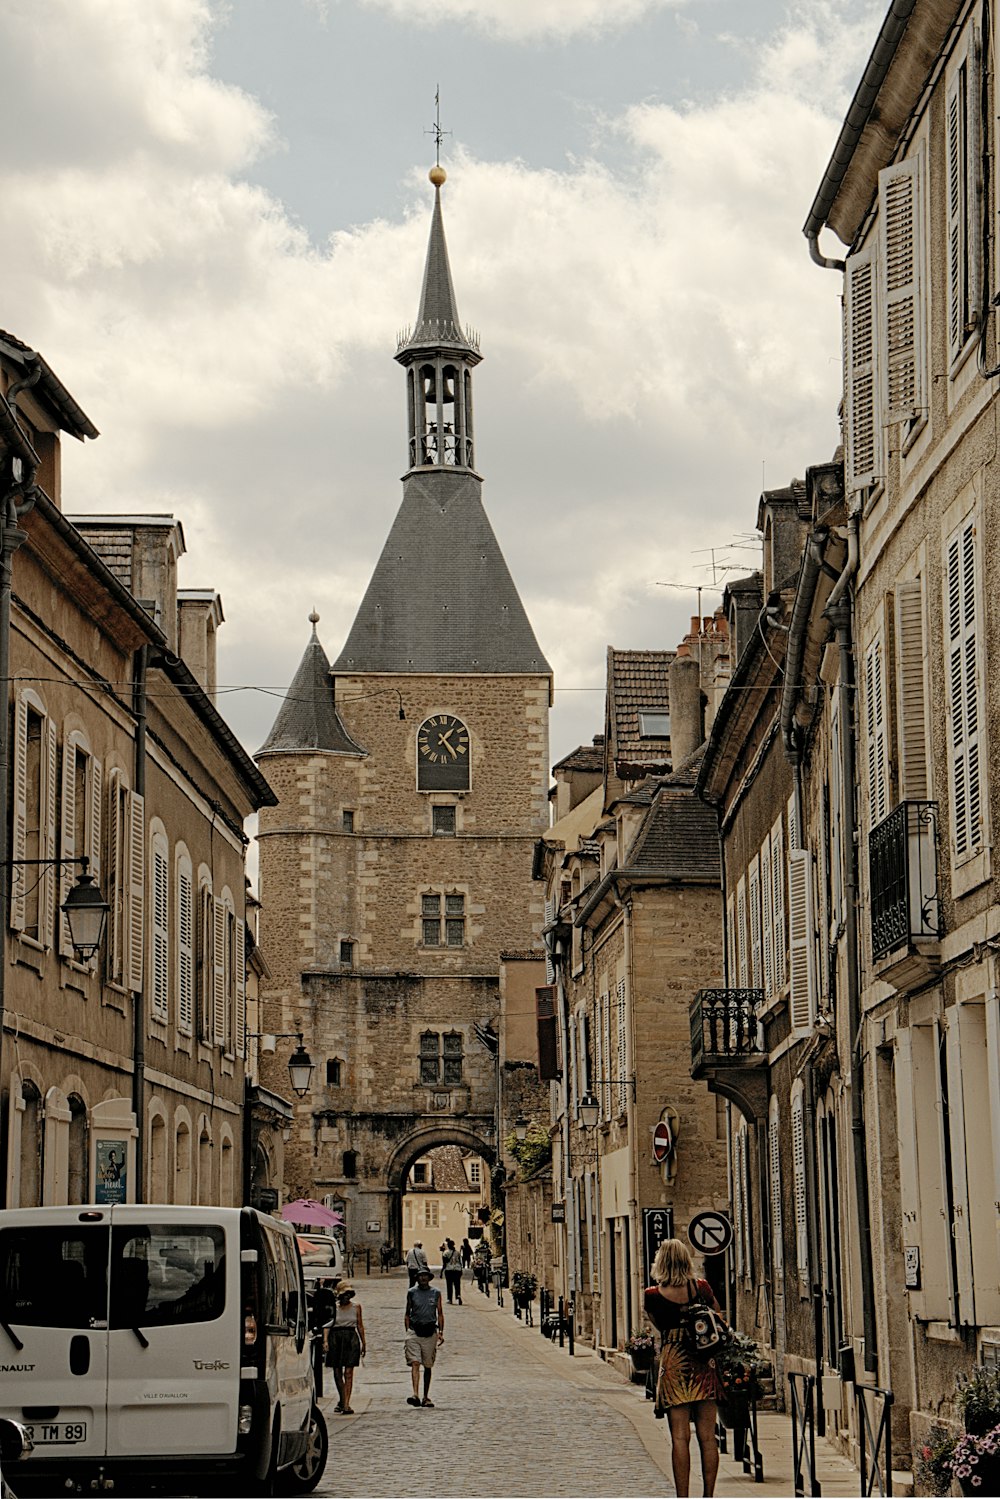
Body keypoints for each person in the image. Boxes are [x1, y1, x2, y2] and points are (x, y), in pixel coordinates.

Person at [644, 1238, 725, 1499]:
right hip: (703, 1362)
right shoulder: (701, 1287)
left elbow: (659, 1327)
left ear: (662, 1262)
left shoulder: (652, 1296)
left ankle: (683, 1496)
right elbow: (718, 1317)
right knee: (707, 1436)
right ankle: (709, 1495)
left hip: (674, 1363)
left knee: (680, 1437)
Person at [404, 1266, 444, 1408]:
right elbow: (407, 1312)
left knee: (427, 1365)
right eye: (420, 1276)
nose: (423, 1278)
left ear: (429, 1277)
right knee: (415, 1362)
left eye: (425, 1275)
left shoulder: (436, 1293)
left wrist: (441, 1332)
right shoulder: (412, 1293)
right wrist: (408, 1330)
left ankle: (425, 1396)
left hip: (430, 1331)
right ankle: (415, 1394)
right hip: (415, 1331)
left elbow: (439, 1313)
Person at [325, 1282, 365, 1415]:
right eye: (344, 1294)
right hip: (336, 1337)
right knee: (337, 1372)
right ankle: (342, 1399)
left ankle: (346, 1403)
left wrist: (363, 1342)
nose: (346, 1297)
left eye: (348, 1294)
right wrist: (325, 1340)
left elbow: (360, 1325)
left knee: (348, 1372)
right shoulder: (333, 1308)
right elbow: (327, 1325)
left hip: (350, 1338)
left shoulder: (356, 1307)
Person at [442, 1238, 462, 1305]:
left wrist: (442, 1271)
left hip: (449, 1269)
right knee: (457, 1284)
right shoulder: (457, 1253)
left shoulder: (445, 1253)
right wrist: (461, 1270)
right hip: (457, 1269)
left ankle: (449, 1299)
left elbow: (444, 1263)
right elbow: (460, 1262)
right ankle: (458, 1295)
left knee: (449, 1285)